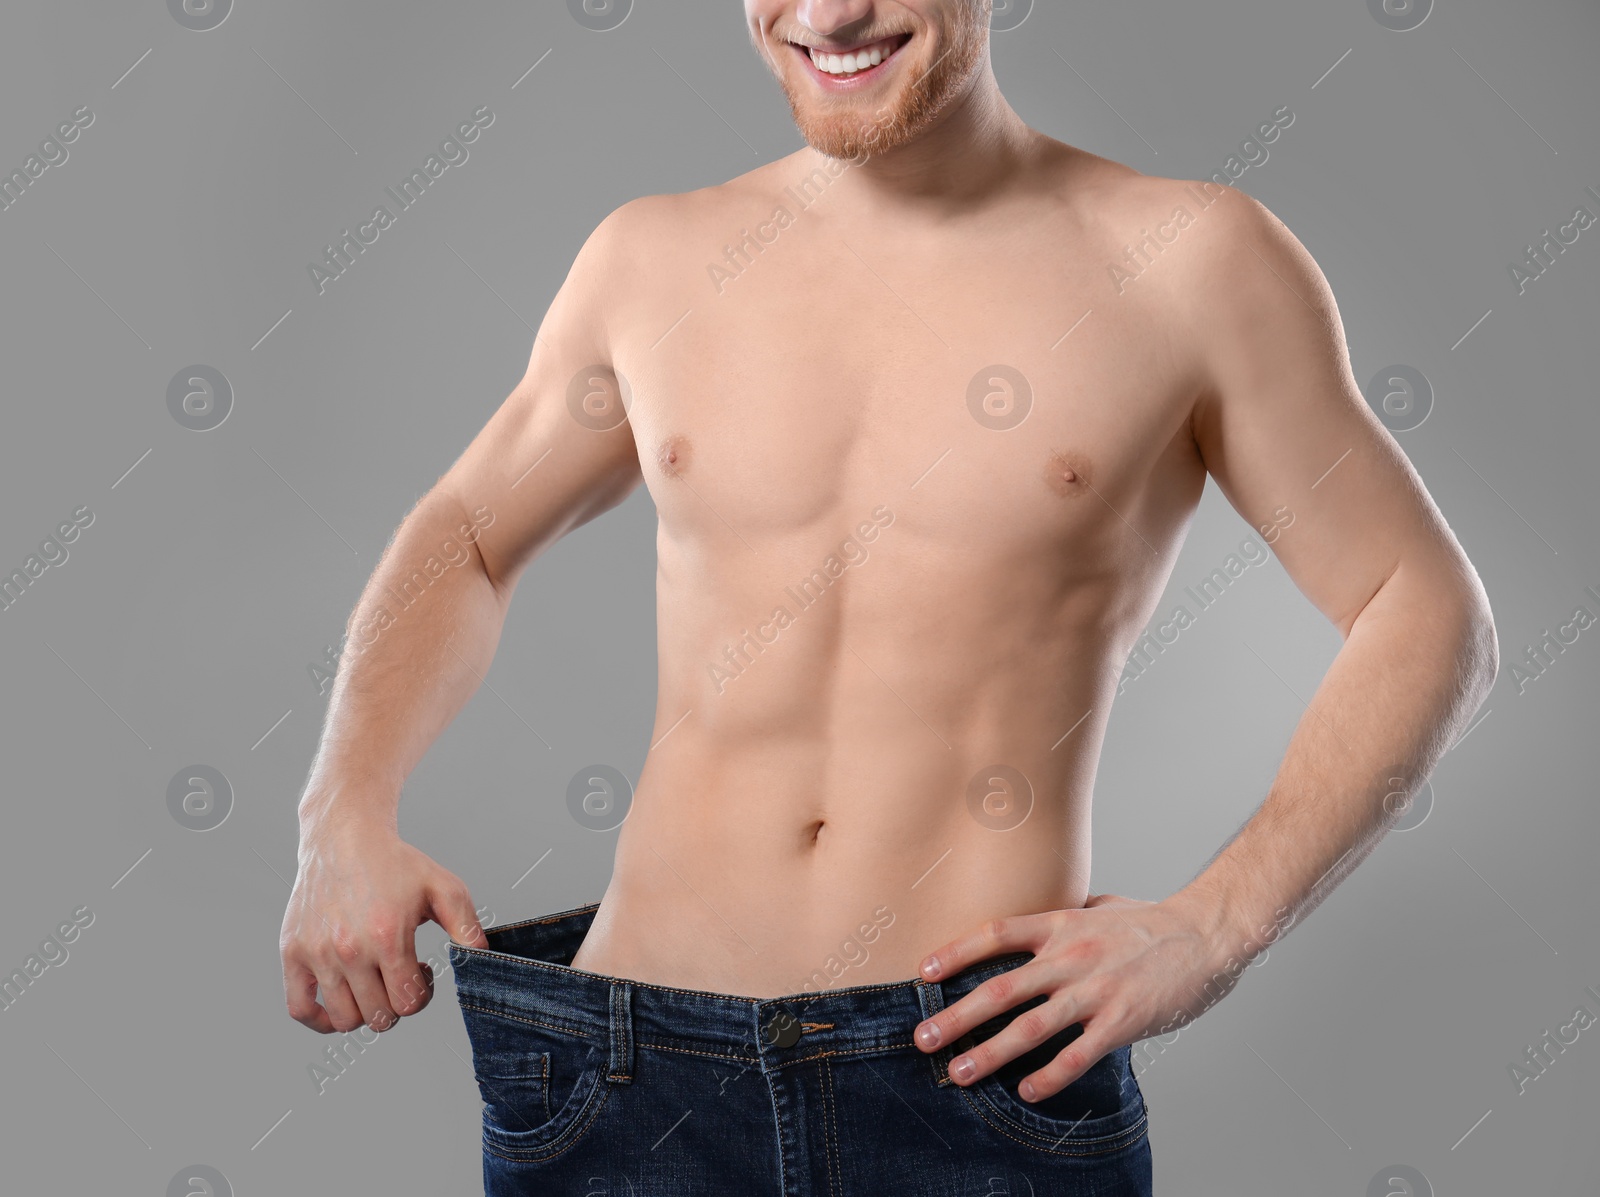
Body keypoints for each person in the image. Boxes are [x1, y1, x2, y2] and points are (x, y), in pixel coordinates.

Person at [279, 1, 1498, 1192]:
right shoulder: (648, 262)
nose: (831, 12)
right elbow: (466, 538)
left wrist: (1216, 925)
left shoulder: (1187, 260)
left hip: (973, 1092)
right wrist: (341, 813)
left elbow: (1423, 604)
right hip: (627, 1086)